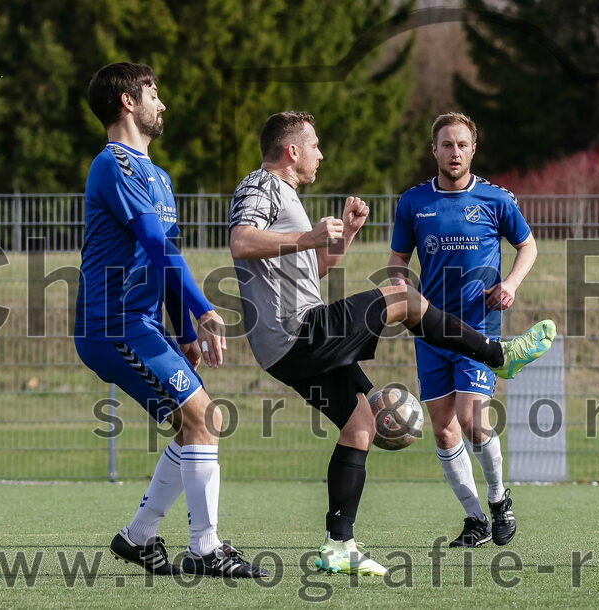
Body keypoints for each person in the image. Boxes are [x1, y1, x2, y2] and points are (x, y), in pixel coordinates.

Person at [229, 111, 556, 577]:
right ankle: (499, 355)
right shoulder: (260, 186)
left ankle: (339, 545)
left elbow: (312, 271)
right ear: (292, 151)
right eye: (316, 145)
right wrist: (309, 235)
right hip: (295, 330)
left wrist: (342, 237)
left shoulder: (287, 198)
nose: (321, 154)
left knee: (360, 422)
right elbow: (240, 241)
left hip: (288, 342)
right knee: (402, 296)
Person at [74, 62, 267, 578]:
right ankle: (205, 548)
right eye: (153, 94)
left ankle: (138, 537)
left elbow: (165, 258)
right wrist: (204, 310)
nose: (162, 104)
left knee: (196, 424)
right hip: (112, 325)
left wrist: (185, 332)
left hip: (143, 324)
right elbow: (156, 245)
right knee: (205, 417)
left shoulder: (158, 176)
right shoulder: (114, 164)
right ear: (126, 103)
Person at [387, 112, 536, 547]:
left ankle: (498, 499)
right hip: (430, 330)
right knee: (443, 429)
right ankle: (475, 520)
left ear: (474, 149)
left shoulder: (496, 199)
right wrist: (401, 283)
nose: (455, 153)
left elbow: (527, 246)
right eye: (447, 145)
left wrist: (510, 283)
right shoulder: (413, 201)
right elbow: (398, 260)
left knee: (473, 421)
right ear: (434, 150)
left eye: (462, 145)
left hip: (477, 329)